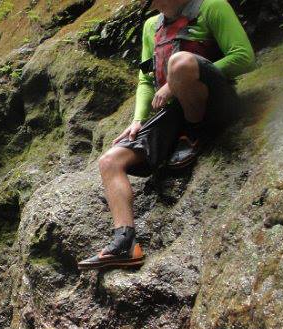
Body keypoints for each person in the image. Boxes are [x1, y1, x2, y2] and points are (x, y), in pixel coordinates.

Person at [78, 0, 254, 270]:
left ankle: (195, 133)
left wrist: (174, 83)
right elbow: (146, 80)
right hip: (175, 113)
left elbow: (244, 57)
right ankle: (125, 243)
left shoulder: (212, 6)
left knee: (180, 62)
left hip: (214, 102)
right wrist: (138, 120)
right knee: (110, 161)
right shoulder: (152, 26)